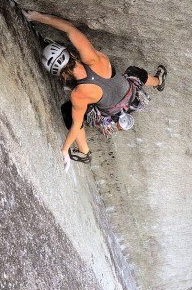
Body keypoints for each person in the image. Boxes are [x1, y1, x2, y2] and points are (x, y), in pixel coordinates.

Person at [23, 10, 166, 171]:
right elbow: (70, 29)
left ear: (58, 74)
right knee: (133, 72)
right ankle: (158, 81)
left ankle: (84, 153)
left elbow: (76, 124)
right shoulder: (92, 57)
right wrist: (37, 17)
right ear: (69, 53)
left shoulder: (79, 94)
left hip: (112, 119)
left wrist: (65, 150)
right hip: (133, 97)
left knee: (68, 110)